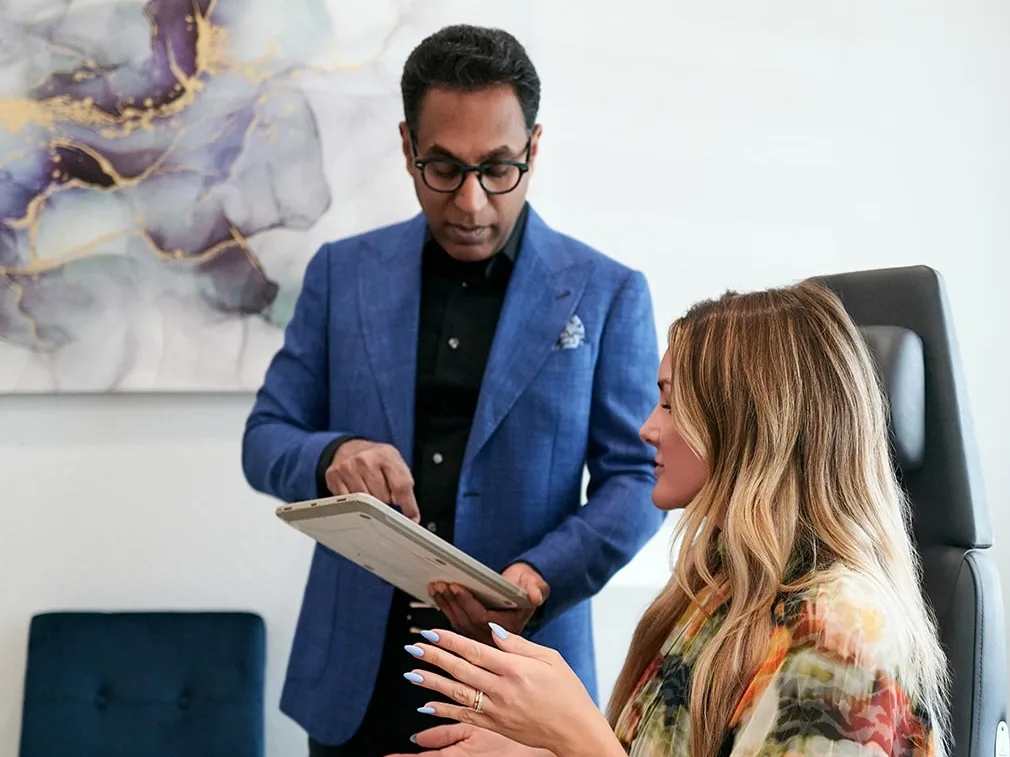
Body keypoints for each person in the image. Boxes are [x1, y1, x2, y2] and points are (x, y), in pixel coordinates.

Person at [240, 23, 665, 757]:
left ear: (534, 148)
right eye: (443, 168)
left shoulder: (609, 292)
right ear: (407, 147)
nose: (471, 202)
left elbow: (637, 477)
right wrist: (331, 452)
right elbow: (266, 437)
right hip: (355, 679)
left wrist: (540, 576)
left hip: (521, 675)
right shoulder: (343, 274)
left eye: (498, 168)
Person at [391, 280, 951, 757]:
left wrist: (579, 738)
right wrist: (541, 750)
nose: (647, 429)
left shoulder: (842, 634)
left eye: (670, 402)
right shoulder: (721, 587)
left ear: (744, 421)